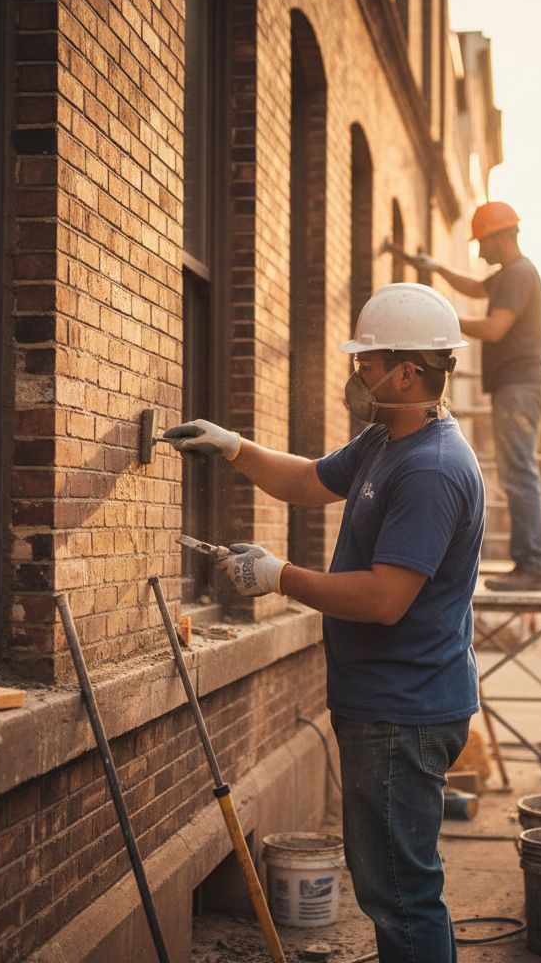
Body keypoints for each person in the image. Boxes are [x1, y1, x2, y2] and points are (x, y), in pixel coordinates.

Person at [164, 283, 485, 963]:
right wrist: (232, 448)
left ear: (408, 372)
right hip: (390, 704)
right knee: (396, 888)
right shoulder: (385, 441)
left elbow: (383, 599)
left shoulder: (430, 467)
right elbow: (309, 480)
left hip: (404, 712)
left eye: (368, 362)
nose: (357, 372)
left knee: (400, 894)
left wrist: (280, 577)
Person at [412, 201, 541, 591]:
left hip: (519, 386)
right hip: (517, 386)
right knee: (518, 472)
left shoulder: (519, 275)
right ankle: (533, 562)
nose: (478, 251)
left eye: (482, 242)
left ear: (501, 237)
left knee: (519, 472)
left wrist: (442, 319)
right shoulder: (510, 275)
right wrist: (437, 269)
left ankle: (535, 565)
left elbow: (493, 329)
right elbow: (474, 287)